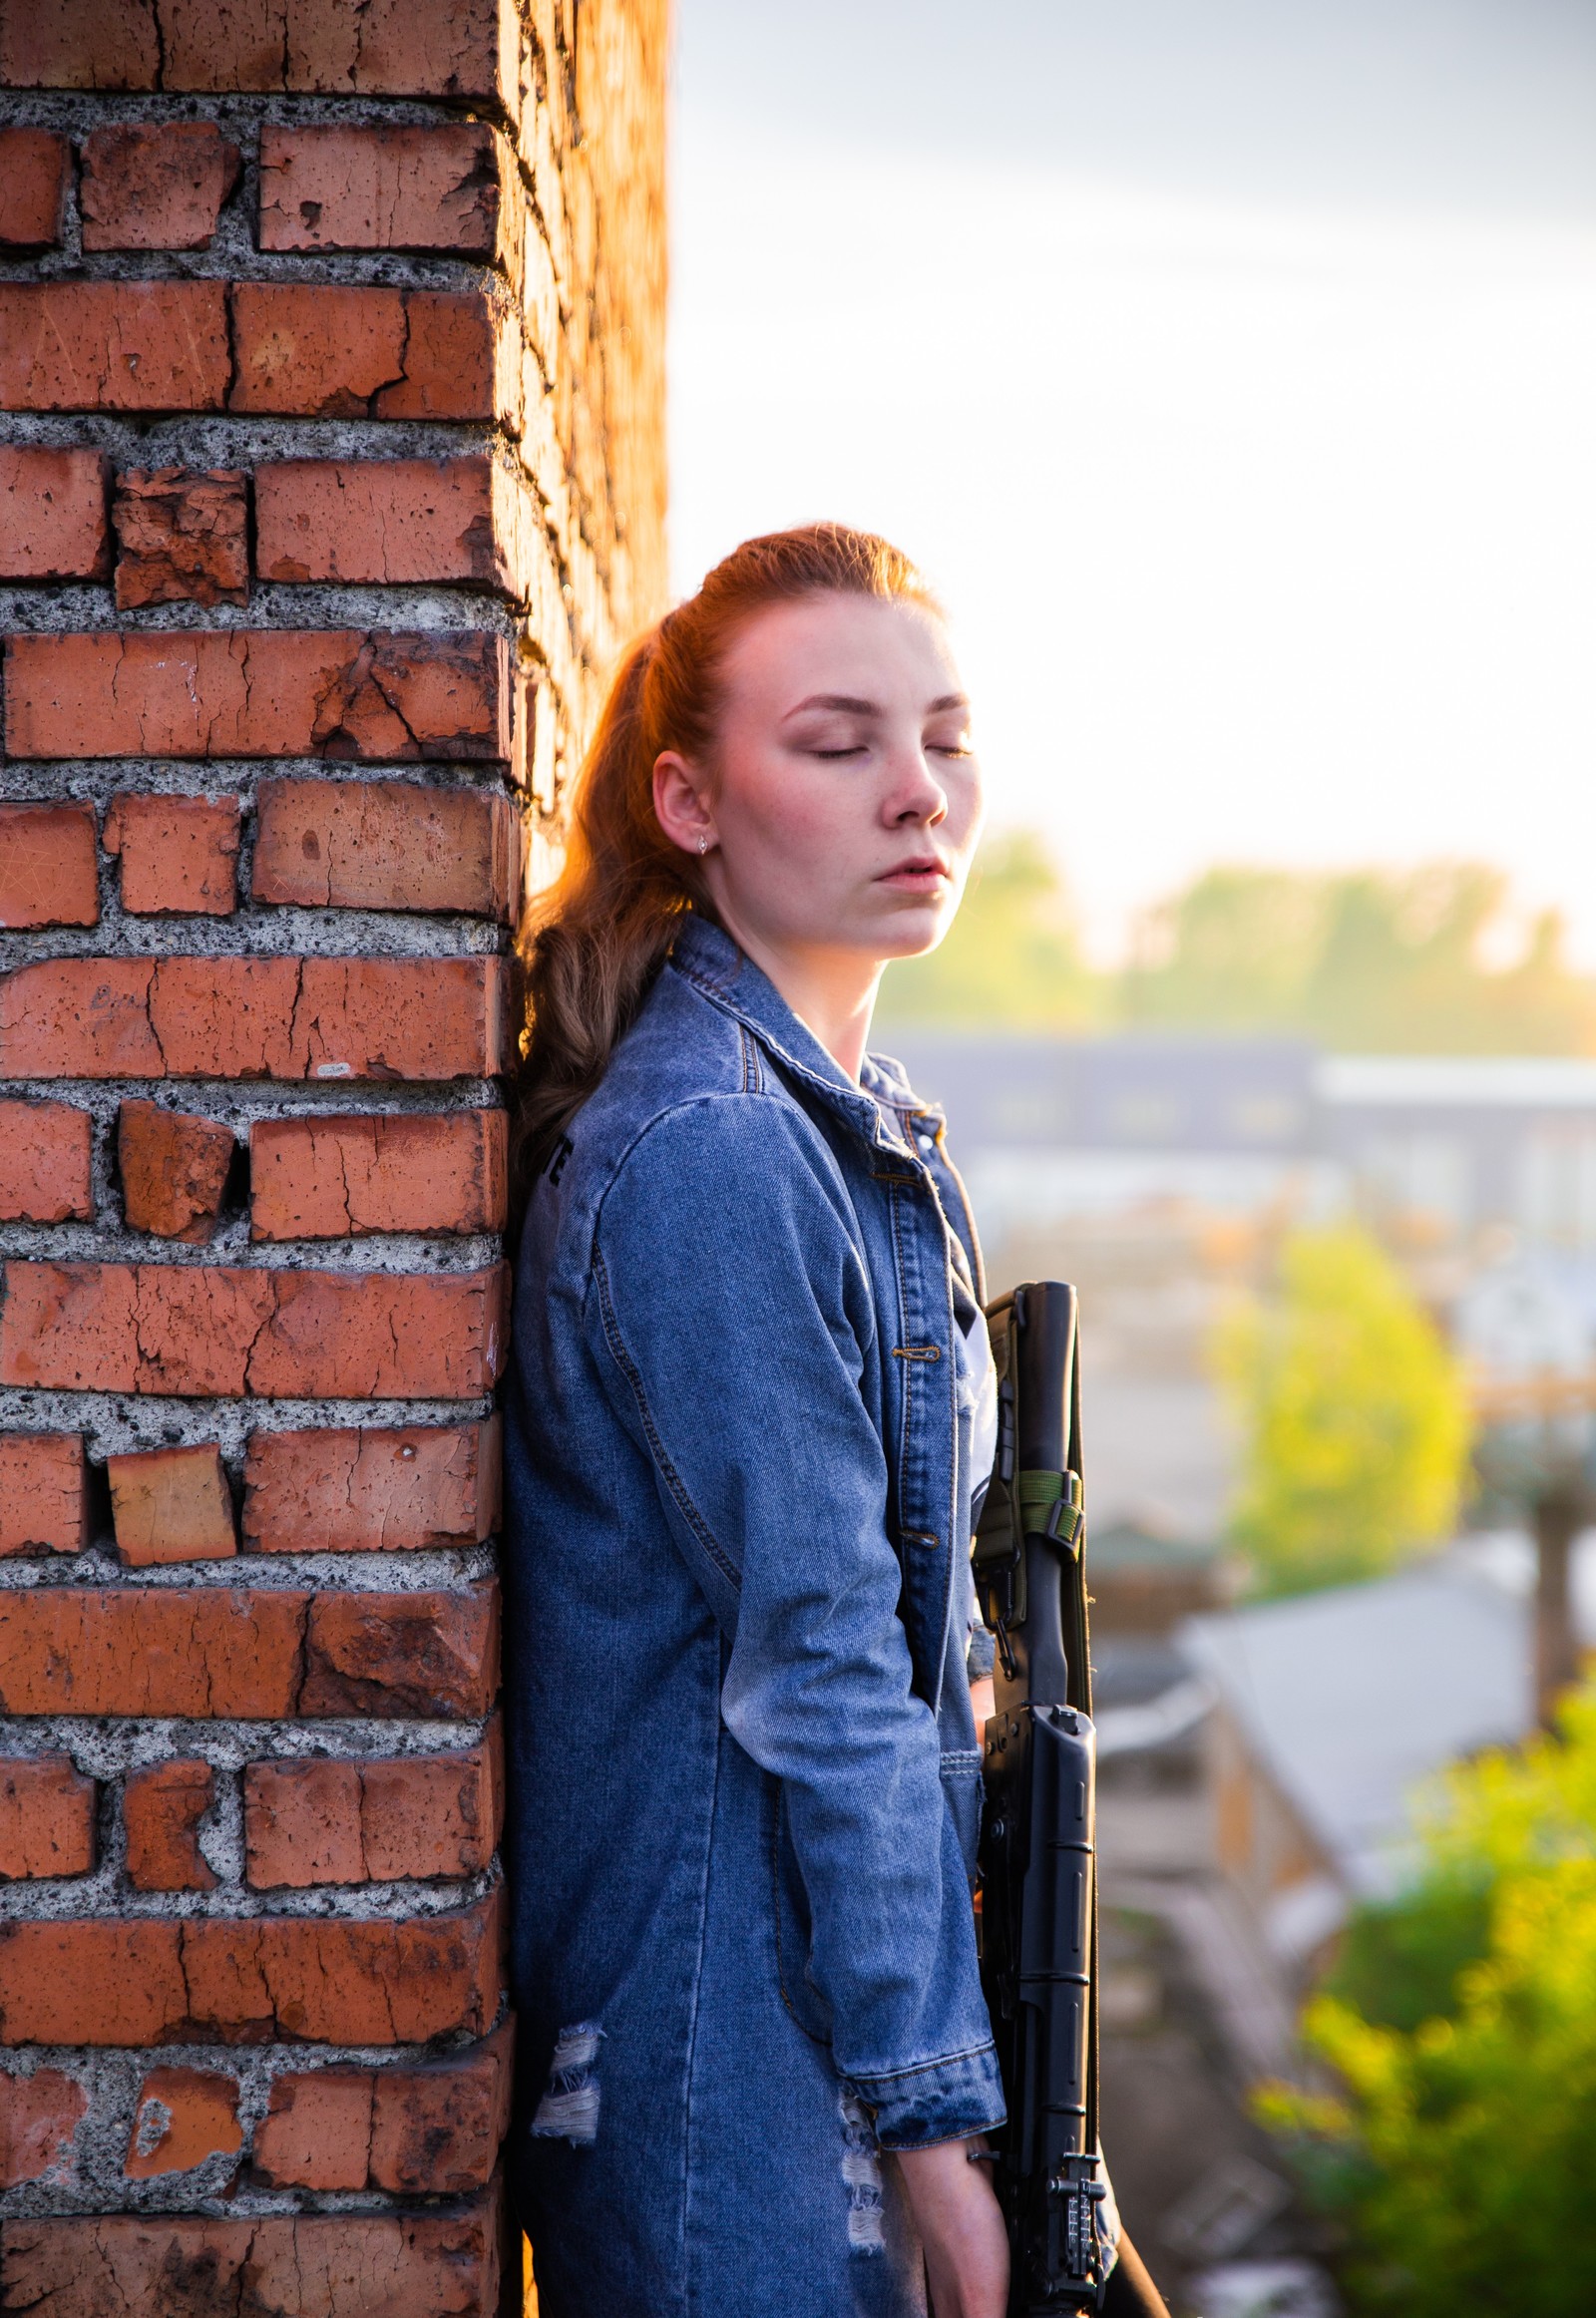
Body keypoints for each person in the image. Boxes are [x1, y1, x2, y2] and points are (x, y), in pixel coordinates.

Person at [502, 524, 1167, 2318]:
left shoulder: (844, 1128)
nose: (914, 793)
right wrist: (942, 2137)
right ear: (693, 801)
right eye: (837, 741)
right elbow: (822, 1671)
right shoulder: (719, 1154)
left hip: (819, 2067)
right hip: (741, 2094)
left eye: (945, 737)